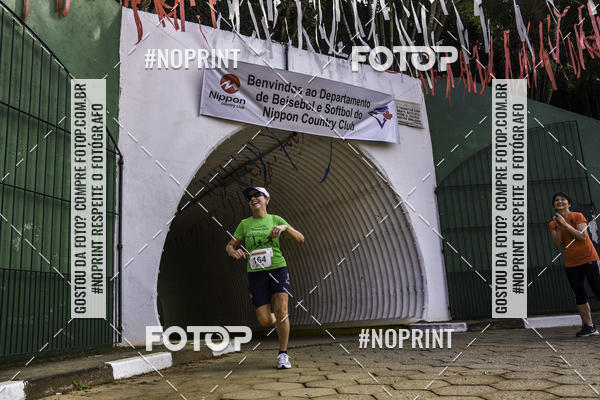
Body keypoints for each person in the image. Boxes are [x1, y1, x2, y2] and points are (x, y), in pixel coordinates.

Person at [225, 186, 305, 368]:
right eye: (250, 197)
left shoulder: (275, 219)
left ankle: (283, 354)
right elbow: (229, 245)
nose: (253, 198)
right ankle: (278, 317)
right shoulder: (245, 224)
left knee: (282, 310)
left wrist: (285, 227)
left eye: (257, 195)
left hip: (278, 269)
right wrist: (233, 252)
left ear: (267, 199)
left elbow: (301, 239)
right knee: (265, 320)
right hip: (256, 274)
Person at [549, 192, 600, 337]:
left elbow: (582, 237)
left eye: (563, 199)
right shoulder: (553, 224)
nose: (560, 201)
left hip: (588, 258)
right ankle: (589, 326)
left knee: (597, 289)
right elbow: (558, 243)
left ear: (569, 203)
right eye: (556, 200)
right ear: (554, 205)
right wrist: (559, 226)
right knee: (579, 294)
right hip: (571, 263)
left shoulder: (577, 216)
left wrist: (565, 224)